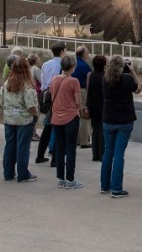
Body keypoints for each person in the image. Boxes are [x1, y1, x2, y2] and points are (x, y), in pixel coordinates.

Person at [100, 55, 140, 197]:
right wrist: (132, 71)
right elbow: (138, 89)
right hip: (124, 121)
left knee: (107, 153)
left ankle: (104, 185)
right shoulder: (127, 79)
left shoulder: (105, 80)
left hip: (108, 119)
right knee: (118, 154)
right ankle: (116, 188)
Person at [0, 56, 39, 183]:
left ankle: (8, 172)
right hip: (24, 120)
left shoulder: (6, 84)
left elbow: (1, 100)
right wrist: (36, 115)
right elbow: (31, 105)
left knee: (10, 145)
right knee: (23, 147)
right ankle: (23, 174)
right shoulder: (27, 86)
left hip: (9, 118)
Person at [50, 53, 84, 188]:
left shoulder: (54, 80)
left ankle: (60, 178)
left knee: (59, 148)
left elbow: (53, 97)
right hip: (70, 117)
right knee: (70, 149)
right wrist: (80, 107)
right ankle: (70, 179)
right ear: (73, 66)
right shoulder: (74, 81)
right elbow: (78, 102)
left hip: (56, 117)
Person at [35, 42, 65, 165]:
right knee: (58, 128)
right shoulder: (63, 65)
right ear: (62, 51)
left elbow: (43, 82)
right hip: (58, 97)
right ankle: (55, 159)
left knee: (47, 127)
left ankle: (40, 155)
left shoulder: (46, 64)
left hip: (46, 95)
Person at [85, 54, 106, 162]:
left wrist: (87, 105)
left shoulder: (90, 75)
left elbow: (89, 90)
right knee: (102, 130)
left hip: (92, 104)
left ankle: (95, 154)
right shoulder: (106, 76)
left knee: (95, 129)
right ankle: (102, 154)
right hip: (103, 105)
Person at [73, 45, 93, 148]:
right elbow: (89, 81)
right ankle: (84, 141)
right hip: (82, 91)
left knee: (75, 115)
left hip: (71, 91)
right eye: (87, 52)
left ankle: (76, 139)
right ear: (84, 54)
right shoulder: (85, 66)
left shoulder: (73, 63)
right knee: (84, 115)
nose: (88, 54)